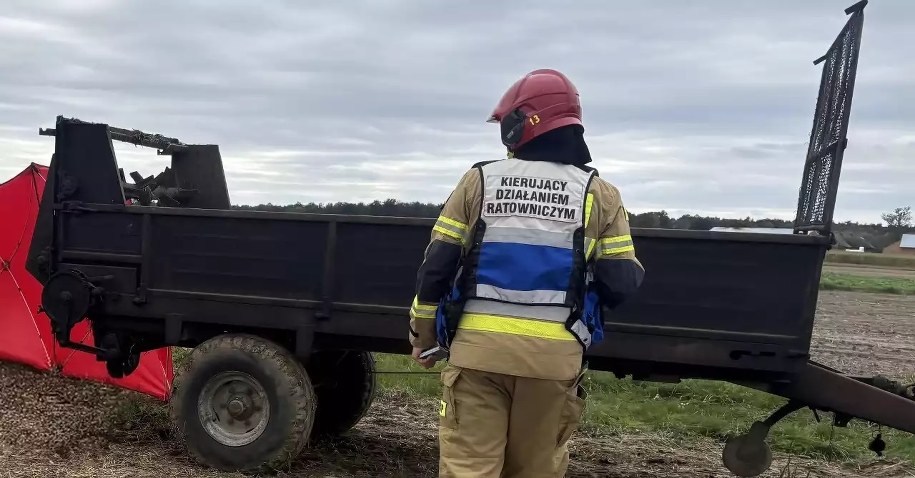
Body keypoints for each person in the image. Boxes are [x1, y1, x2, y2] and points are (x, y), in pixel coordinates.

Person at [408, 68, 645, 477]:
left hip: (477, 356)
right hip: (553, 364)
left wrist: (424, 338)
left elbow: (437, 267)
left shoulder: (478, 181)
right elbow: (620, 283)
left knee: (468, 468)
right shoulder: (600, 194)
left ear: (521, 124)